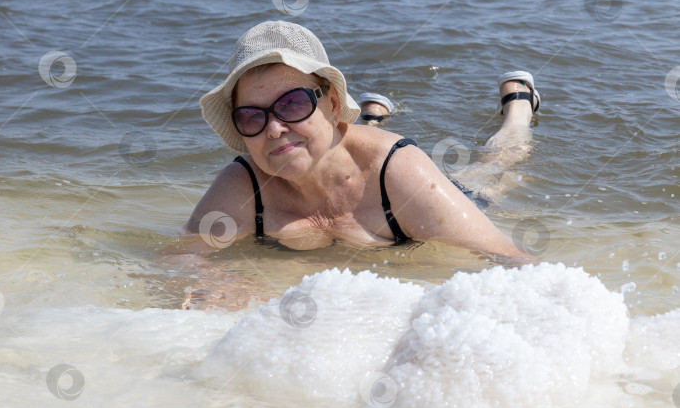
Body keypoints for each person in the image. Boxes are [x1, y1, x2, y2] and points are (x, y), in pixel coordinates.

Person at [187, 21, 540, 263]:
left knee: (494, 168)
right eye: (251, 115)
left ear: (334, 104)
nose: (274, 129)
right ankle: (372, 115)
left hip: (427, 186)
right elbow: (177, 259)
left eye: (292, 104)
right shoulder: (243, 186)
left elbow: (509, 258)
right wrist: (214, 281)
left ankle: (518, 105)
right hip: (346, 144)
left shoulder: (400, 170)